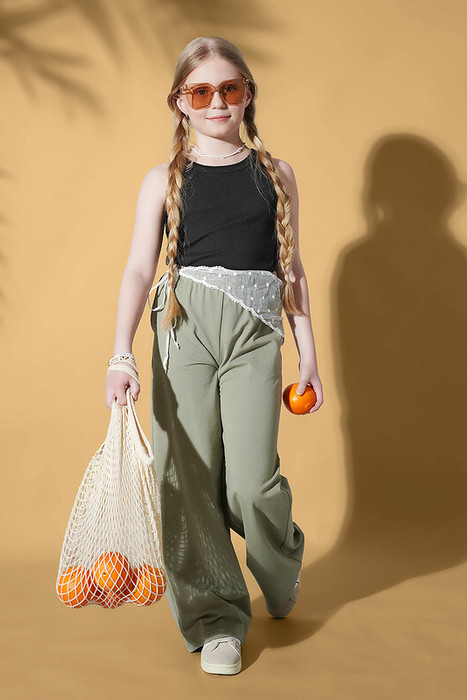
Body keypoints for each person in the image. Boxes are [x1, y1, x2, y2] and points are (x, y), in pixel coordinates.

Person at [105, 36, 323, 676]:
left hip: (255, 333)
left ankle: (279, 561)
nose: (216, 102)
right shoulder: (162, 180)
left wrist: (309, 355)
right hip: (183, 331)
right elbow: (139, 268)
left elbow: (292, 270)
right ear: (180, 102)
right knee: (187, 480)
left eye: (229, 88)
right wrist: (121, 355)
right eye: (200, 92)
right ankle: (216, 620)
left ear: (247, 94)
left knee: (250, 483)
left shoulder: (276, 175)